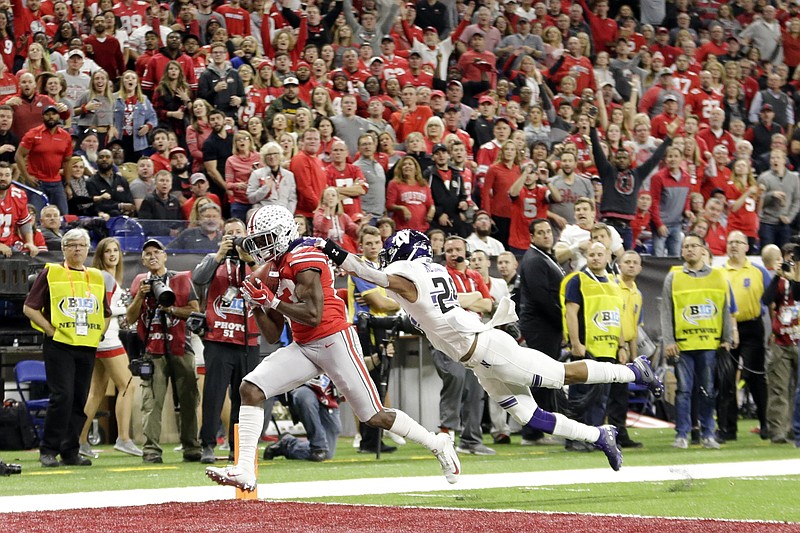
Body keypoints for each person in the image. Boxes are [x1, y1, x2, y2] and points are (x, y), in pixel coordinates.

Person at [319, 229, 664, 471]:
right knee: (528, 416)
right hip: (479, 359)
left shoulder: (406, 274)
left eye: (391, 254)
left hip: (490, 351)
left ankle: (635, 370)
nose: (387, 261)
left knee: (562, 374)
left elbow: (376, 279)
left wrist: (334, 251)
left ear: (403, 255)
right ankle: (599, 435)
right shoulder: (432, 270)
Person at [206, 206, 460, 492]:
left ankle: (437, 443)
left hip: (334, 339)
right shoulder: (271, 270)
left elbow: (314, 314)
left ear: (283, 234)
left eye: (265, 239)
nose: (260, 247)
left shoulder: (304, 255)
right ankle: (244, 471)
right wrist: (258, 306)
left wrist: (271, 301)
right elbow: (273, 333)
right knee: (250, 389)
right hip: (303, 346)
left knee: (373, 415)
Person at [23, 228, 111, 467]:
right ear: (63, 249)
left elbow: (105, 313)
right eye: (71, 245)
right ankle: (48, 449)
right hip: (60, 345)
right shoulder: (51, 272)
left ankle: (70, 451)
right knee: (62, 396)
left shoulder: (96, 276)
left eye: (81, 245)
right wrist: (51, 331)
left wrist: (99, 332)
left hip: (86, 346)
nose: (77, 249)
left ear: (88, 249)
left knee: (79, 399)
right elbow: (30, 308)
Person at [125, 238, 202, 464]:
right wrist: (140, 295)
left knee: (189, 399)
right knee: (152, 402)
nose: (152, 256)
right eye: (147, 253)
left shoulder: (181, 279)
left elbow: (195, 312)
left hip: (181, 346)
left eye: (156, 252)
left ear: (165, 256)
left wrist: (172, 309)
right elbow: (130, 318)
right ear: (142, 259)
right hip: (152, 348)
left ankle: (191, 447)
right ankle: (151, 450)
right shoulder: (140, 281)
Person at [193, 219, 260, 464]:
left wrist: (249, 258)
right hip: (218, 337)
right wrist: (220, 254)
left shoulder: (257, 261)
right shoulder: (214, 259)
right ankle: (208, 445)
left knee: (244, 396)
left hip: (248, 339)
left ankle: (238, 446)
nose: (234, 238)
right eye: (229, 234)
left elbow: (269, 282)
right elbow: (198, 280)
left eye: (238, 233)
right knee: (214, 395)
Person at [662, 233, 734, 450]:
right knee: (684, 390)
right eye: (686, 246)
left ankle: (708, 433)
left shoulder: (719, 276)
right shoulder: (673, 277)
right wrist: (668, 340)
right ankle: (682, 434)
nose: (690, 249)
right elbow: (666, 311)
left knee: (708, 390)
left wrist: (727, 339)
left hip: (710, 345)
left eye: (694, 246)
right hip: (683, 345)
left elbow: (724, 309)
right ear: (682, 251)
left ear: (704, 249)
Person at [78, 238, 143, 458]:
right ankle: (123, 438)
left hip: (101, 337)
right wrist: (122, 309)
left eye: (116, 250)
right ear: (100, 255)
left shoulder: (107, 276)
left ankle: (80, 439)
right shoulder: (103, 276)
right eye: (108, 251)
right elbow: (101, 308)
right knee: (128, 384)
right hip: (106, 337)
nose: (113, 255)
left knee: (96, 392)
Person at [562, 242, 625, 452]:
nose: (596, 258)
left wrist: (622, 346)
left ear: (608, 256)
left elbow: (618, 318)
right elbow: (570, 313)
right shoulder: (578, 280)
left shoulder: (615, 283)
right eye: (592, 254)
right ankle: (574, 438)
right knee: (580, 395)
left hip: (608, 349)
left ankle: (596, 437)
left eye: (600, 254)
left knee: (601, 396)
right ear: (586, 257)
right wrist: (576, 342)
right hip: (586, 349)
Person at [347, 226, 402, 454]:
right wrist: (398, 302)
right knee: (368, 384)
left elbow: (382, 300)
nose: (373, 246)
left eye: (376, 242)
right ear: (361, 246)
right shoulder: (360, 268)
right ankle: (367, 439)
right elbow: (379, 303)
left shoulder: (382, 268)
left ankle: (374, 438)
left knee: (380, 381)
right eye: (368, 243)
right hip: (364, 328)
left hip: (380, 327)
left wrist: (386, 299)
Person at [518, 218, 565, 445]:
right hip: (541, 325)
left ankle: (540, 429)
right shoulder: (535, 260)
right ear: (532, 237)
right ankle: (532, 431)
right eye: (541, 232)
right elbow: (542, 298)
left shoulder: (544, 256)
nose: (547, 235)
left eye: (549, 231)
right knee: (540, 380)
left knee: (546, 380)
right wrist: (562, 320)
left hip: (546, 325)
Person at [719, 231, 769, 442]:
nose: (734, 246)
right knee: (727, 380)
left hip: (753, 327)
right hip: (728, 329)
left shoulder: (759, 271)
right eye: (731, 242)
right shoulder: (719, 272)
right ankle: (728, 429)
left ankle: (766, 424)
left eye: (739, 242)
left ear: (747, 246)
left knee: (755, 377)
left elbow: (772, 300)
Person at [762, 244, 800, 444]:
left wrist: (794, 278)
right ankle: (778, 431)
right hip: (782, 341)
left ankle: (796, 428)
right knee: (779, 388)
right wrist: (778, 276)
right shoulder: (780, 280)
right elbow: (765, 299)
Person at [609, 250, 644, 448]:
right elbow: (616, 321)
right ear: (619, 266)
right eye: (627, 262)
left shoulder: (637, 293)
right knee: (611, 394)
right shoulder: (613, 288)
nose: (631, 265)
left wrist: (635, 356)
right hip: (612, 346)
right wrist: (621, 347)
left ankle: (620, 433)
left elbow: (634, 325)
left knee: (621, 395)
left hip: (626, 348)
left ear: (640, 268)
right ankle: (609, 434)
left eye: (635, 262)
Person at [263, 377, 342, 462]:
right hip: (302, 386)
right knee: (306, 399)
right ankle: (318, 446)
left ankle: (286, 444)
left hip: (327, 392)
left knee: (327, 454)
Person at [16, 105, 73, 217]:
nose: (50, 117)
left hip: (57, 182)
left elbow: (67, 161)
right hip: (37, 182)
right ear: (42, 117)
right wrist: (27, 177)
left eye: (53, 114)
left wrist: (67, 184)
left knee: (63, 217)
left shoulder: (65, 136)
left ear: (58, 116)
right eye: (47, 114)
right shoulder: (33, 134)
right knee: (35, 218)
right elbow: (18, 156)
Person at [758, 150, 800, 249]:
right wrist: (771, 195)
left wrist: (789, 217)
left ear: (784, 160)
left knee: (785, 253)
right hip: (767, 223)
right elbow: (759, 202)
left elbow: (797, 200)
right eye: (772, 158)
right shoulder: (764, 177)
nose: (774, 160)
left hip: (784, 224)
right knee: (767, 252)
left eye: (778, 158)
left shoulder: (794, 178)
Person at [0, 162, 38, 258]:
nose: (3, 178)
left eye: (7, 175)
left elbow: (24, 221)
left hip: (8, 247)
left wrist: (30, 242)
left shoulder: (19, 195)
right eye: (0, 175)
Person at [85, 149, 137, 218]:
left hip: (123, 218)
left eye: (107, 157)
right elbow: (96, 206)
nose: (104, 159)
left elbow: (130, 201)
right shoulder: (91, 182)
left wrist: (129, 210)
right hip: (103, 219)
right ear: (96, 161)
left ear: (112, 160)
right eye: (101, 157)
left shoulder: (122, 180)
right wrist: (120, 206)